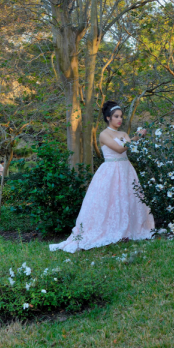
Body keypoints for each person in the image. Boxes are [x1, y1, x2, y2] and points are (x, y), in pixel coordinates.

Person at [50, 101, 155, 253]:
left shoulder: (124, 134)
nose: (120, 119)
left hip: (126, 170)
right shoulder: (104, 134)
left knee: (127, 199)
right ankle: (110, 230)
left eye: (121, 116)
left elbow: (128, 148)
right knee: (110, 200)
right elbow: (120, 149)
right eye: (116, 116)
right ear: (108, 118)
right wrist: (137, 137)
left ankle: (128, 230)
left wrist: (135, 138)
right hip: (111, 171)